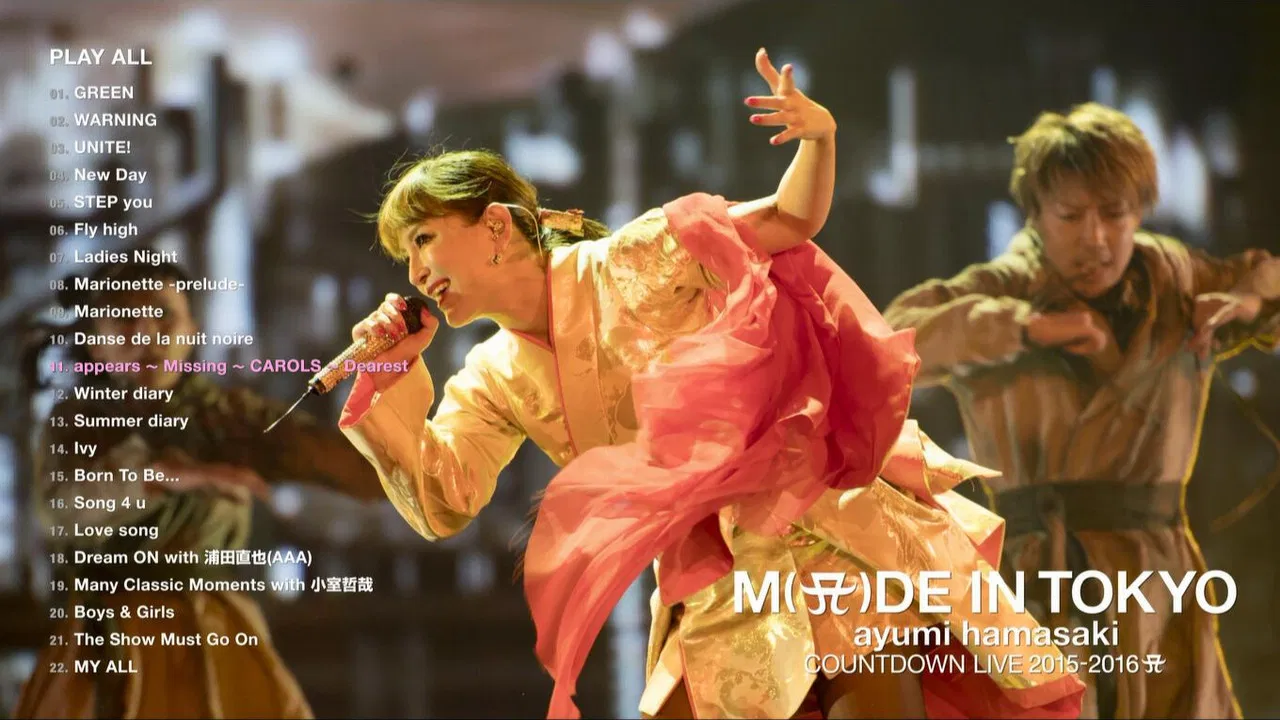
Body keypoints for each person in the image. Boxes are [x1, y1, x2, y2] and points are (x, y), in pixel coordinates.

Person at [340, 49, 1086, 720]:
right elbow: (443, 500)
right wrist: (386, 369)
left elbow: (788, 219)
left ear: (497, 227)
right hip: (713, 576)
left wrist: (819, 140)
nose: (416, 272)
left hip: (822, 523)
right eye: (406, 256)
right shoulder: (492, 376)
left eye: (424, 240)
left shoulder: (635, 257)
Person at [883, 101, 1280, 719]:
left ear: (1139, 211)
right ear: (1037, 214)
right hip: (1037, 584)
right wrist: (1023, 328)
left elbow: (1266, 275)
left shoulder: (1174, 280)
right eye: (1070, 216)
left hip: (1161, 587)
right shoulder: (1004, 287)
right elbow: (894, 338)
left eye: (1114, 214)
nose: (1095, 239)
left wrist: (1249, 303)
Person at [16, 261, 385, 719]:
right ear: (94, 340)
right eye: (125, 319)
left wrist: (395, 407)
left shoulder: (227, 418)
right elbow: (62, 510)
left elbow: (358, 469)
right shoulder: (77, 422)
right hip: (103, 641)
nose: (146, 334)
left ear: (191, 331)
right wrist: (163, 474)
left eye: (163, 315)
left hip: (211, 634)